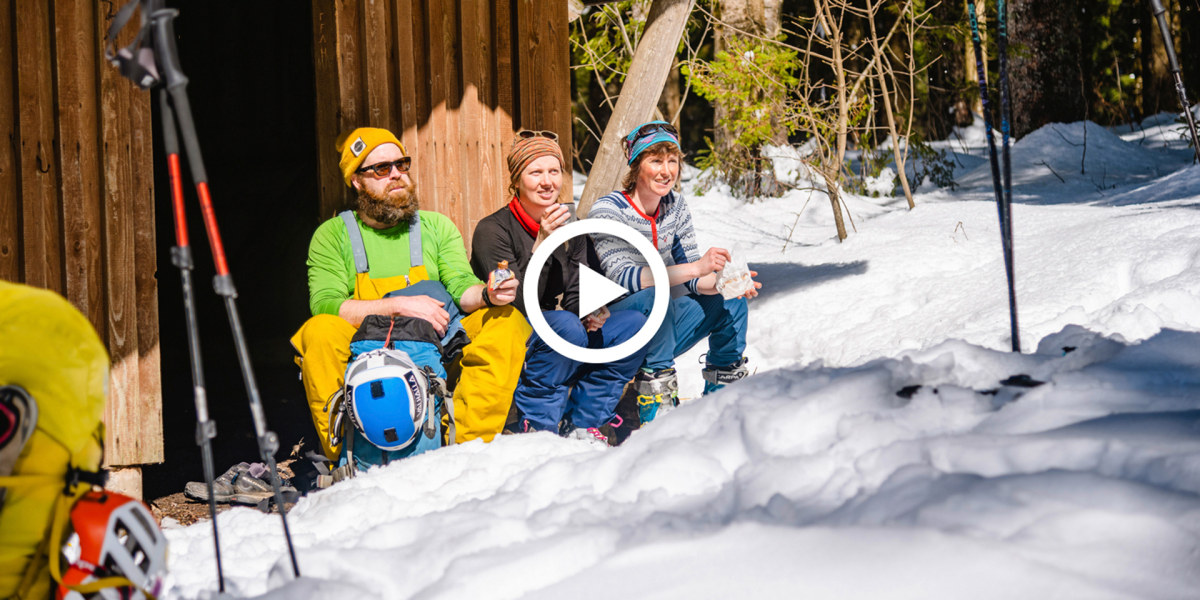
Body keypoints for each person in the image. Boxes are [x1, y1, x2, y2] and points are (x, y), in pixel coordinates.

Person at [291, 127, 530, 461]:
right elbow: (325, 304)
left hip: (436, 347)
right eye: (381, 168)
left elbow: (461, 285)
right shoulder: (332, 235)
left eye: (401, 164)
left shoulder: (435, 226)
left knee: (507, 322)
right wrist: (399, 306)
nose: (396, 174)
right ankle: (345, 456)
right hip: (364, 349)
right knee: (318, 331)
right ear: (356, 181)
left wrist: (488, 294)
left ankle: (467, 448)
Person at [470, 131, 648, 445]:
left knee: (632, 324)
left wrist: (591, 310)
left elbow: (578, 288)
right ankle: (538, 426)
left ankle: (585, 420)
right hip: (511, 328)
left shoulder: (570, 226)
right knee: (565, 326)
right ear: (517, 179)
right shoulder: (492, 230)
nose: (547, 182)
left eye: (554, 171)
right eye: (535, 172)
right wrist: (542, 242)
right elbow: (514, 302)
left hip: (557, 326)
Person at [589, 120, 761, 424]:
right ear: (636, 165)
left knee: (731, 300)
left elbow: (693, 278)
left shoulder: (675, 206)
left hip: (662, 326)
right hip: (614, 329)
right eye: (656, 161)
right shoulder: (608, 210)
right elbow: (622, 278)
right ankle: (658, 405)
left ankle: (722, 400)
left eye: (672, 161)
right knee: (655, 296)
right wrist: (695, 268)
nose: (666, 171)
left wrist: (726, 282)